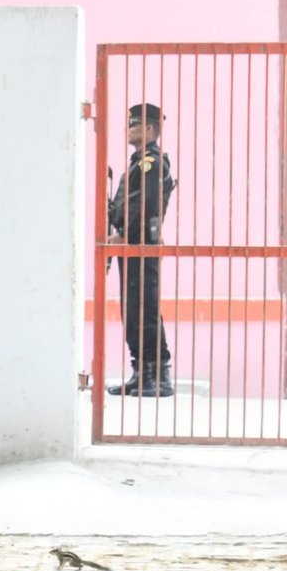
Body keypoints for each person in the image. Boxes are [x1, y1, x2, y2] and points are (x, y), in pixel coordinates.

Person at [106, 102, 177, 397]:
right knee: (133, 309)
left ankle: (156, 376)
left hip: (141, 245)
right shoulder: (139, 162)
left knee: (143, 309)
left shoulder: (152, 162)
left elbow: (145, 205)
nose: (129, 130)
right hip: (133, 246)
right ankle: (142, 373)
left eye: (134, 125)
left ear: (148, 129)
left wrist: (123, 235)